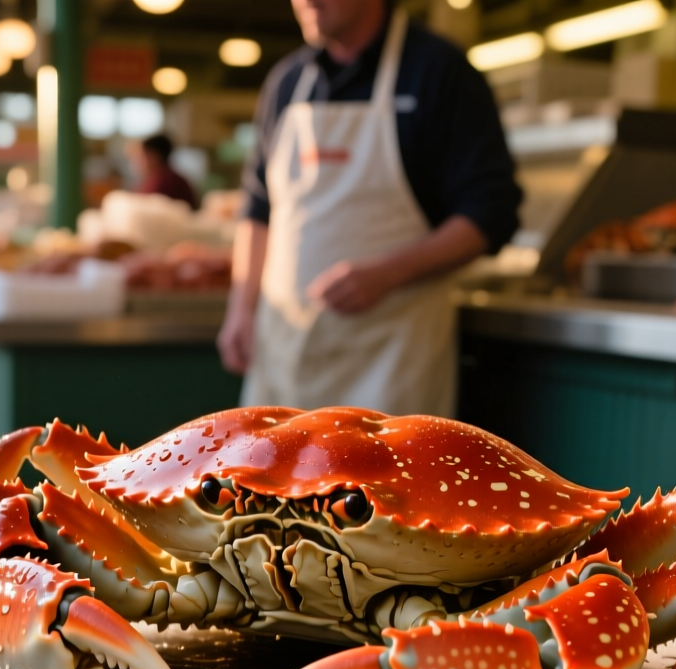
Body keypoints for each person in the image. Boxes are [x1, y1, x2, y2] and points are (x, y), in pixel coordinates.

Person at [217, 0, 520, 418]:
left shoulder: (440, 72)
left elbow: (490, 214)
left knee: (379, 485)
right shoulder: (286, 81)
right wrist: (241, 307)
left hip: (388, 367)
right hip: (283, 360)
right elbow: (258, 209)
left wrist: (389, 272)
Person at [132, 134, 200, 210]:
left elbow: (142, 207)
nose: (136, 160)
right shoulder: (160, 176)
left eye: (141, 156)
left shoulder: (165, 180)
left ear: (154, 156)